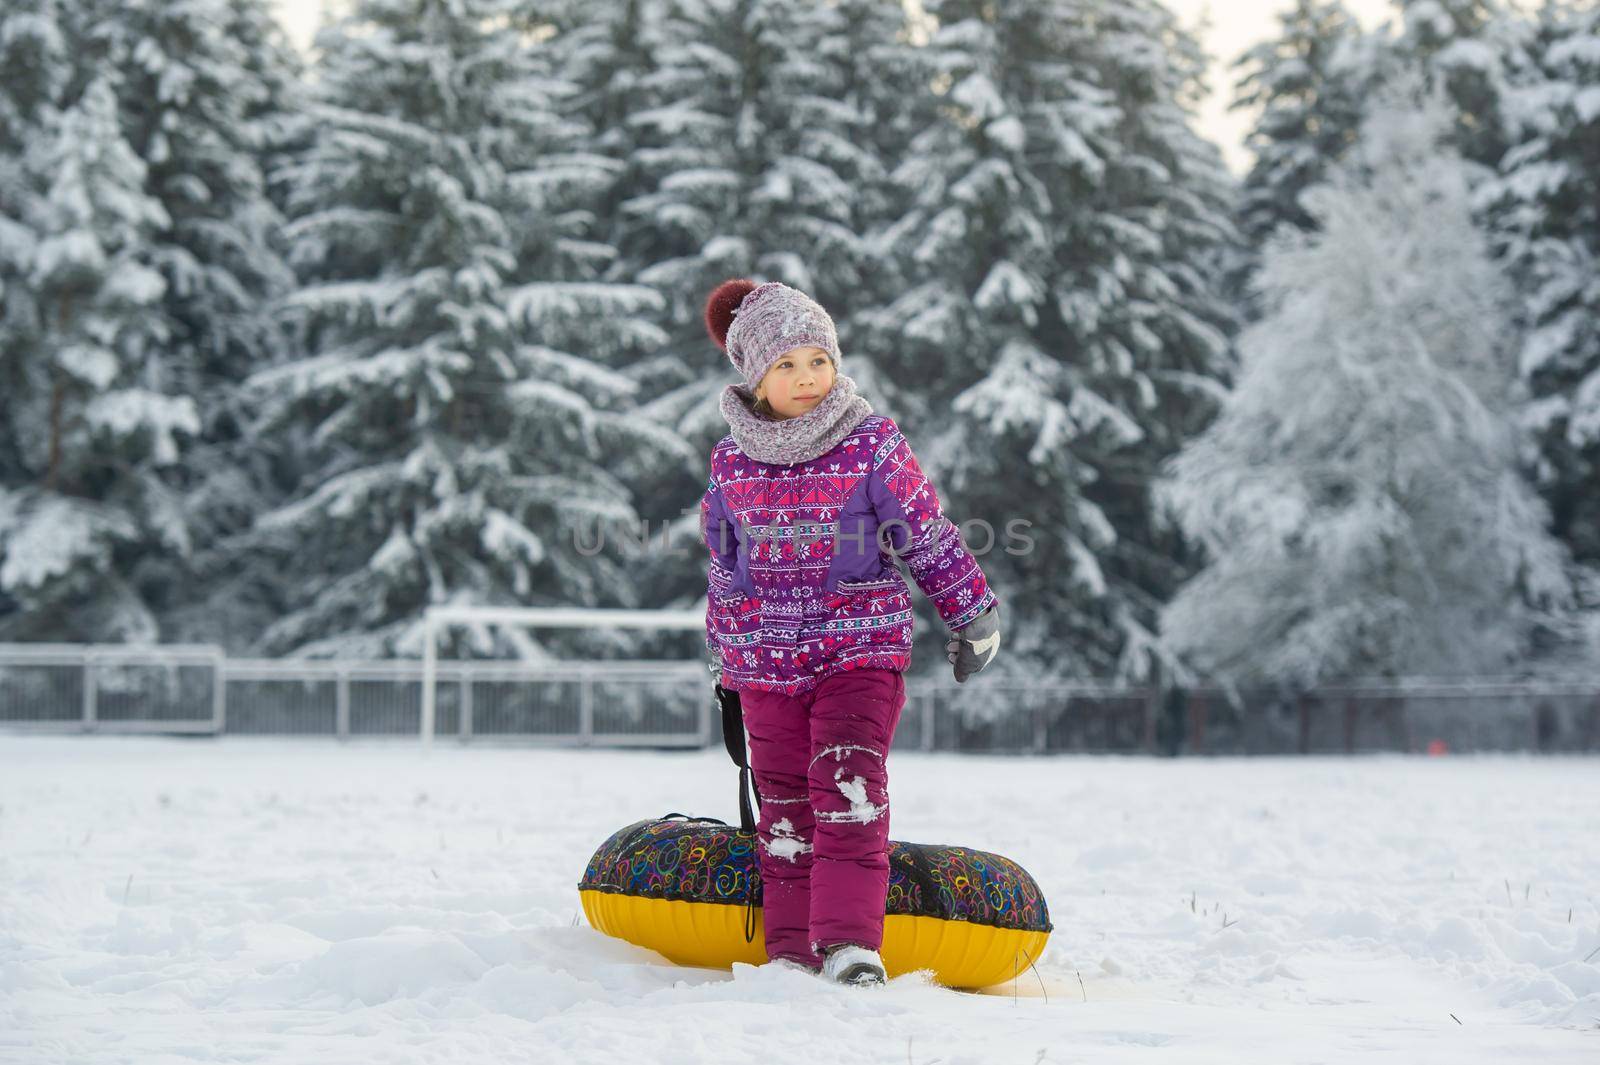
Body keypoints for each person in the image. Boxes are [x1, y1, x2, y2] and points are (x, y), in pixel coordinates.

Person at [698, 278, 1001, 986]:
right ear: (755, 377)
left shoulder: (870, 442)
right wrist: (727, 657)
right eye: (787, 365)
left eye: (819, 360)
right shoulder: (732, 461)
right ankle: (794, 955)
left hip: (858, 649)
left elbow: (923, 531)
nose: (808, 378)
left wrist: (972, 610)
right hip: (766, 661)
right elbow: (725, 566)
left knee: (848, 782)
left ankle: (848, 946)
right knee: (784, 808)